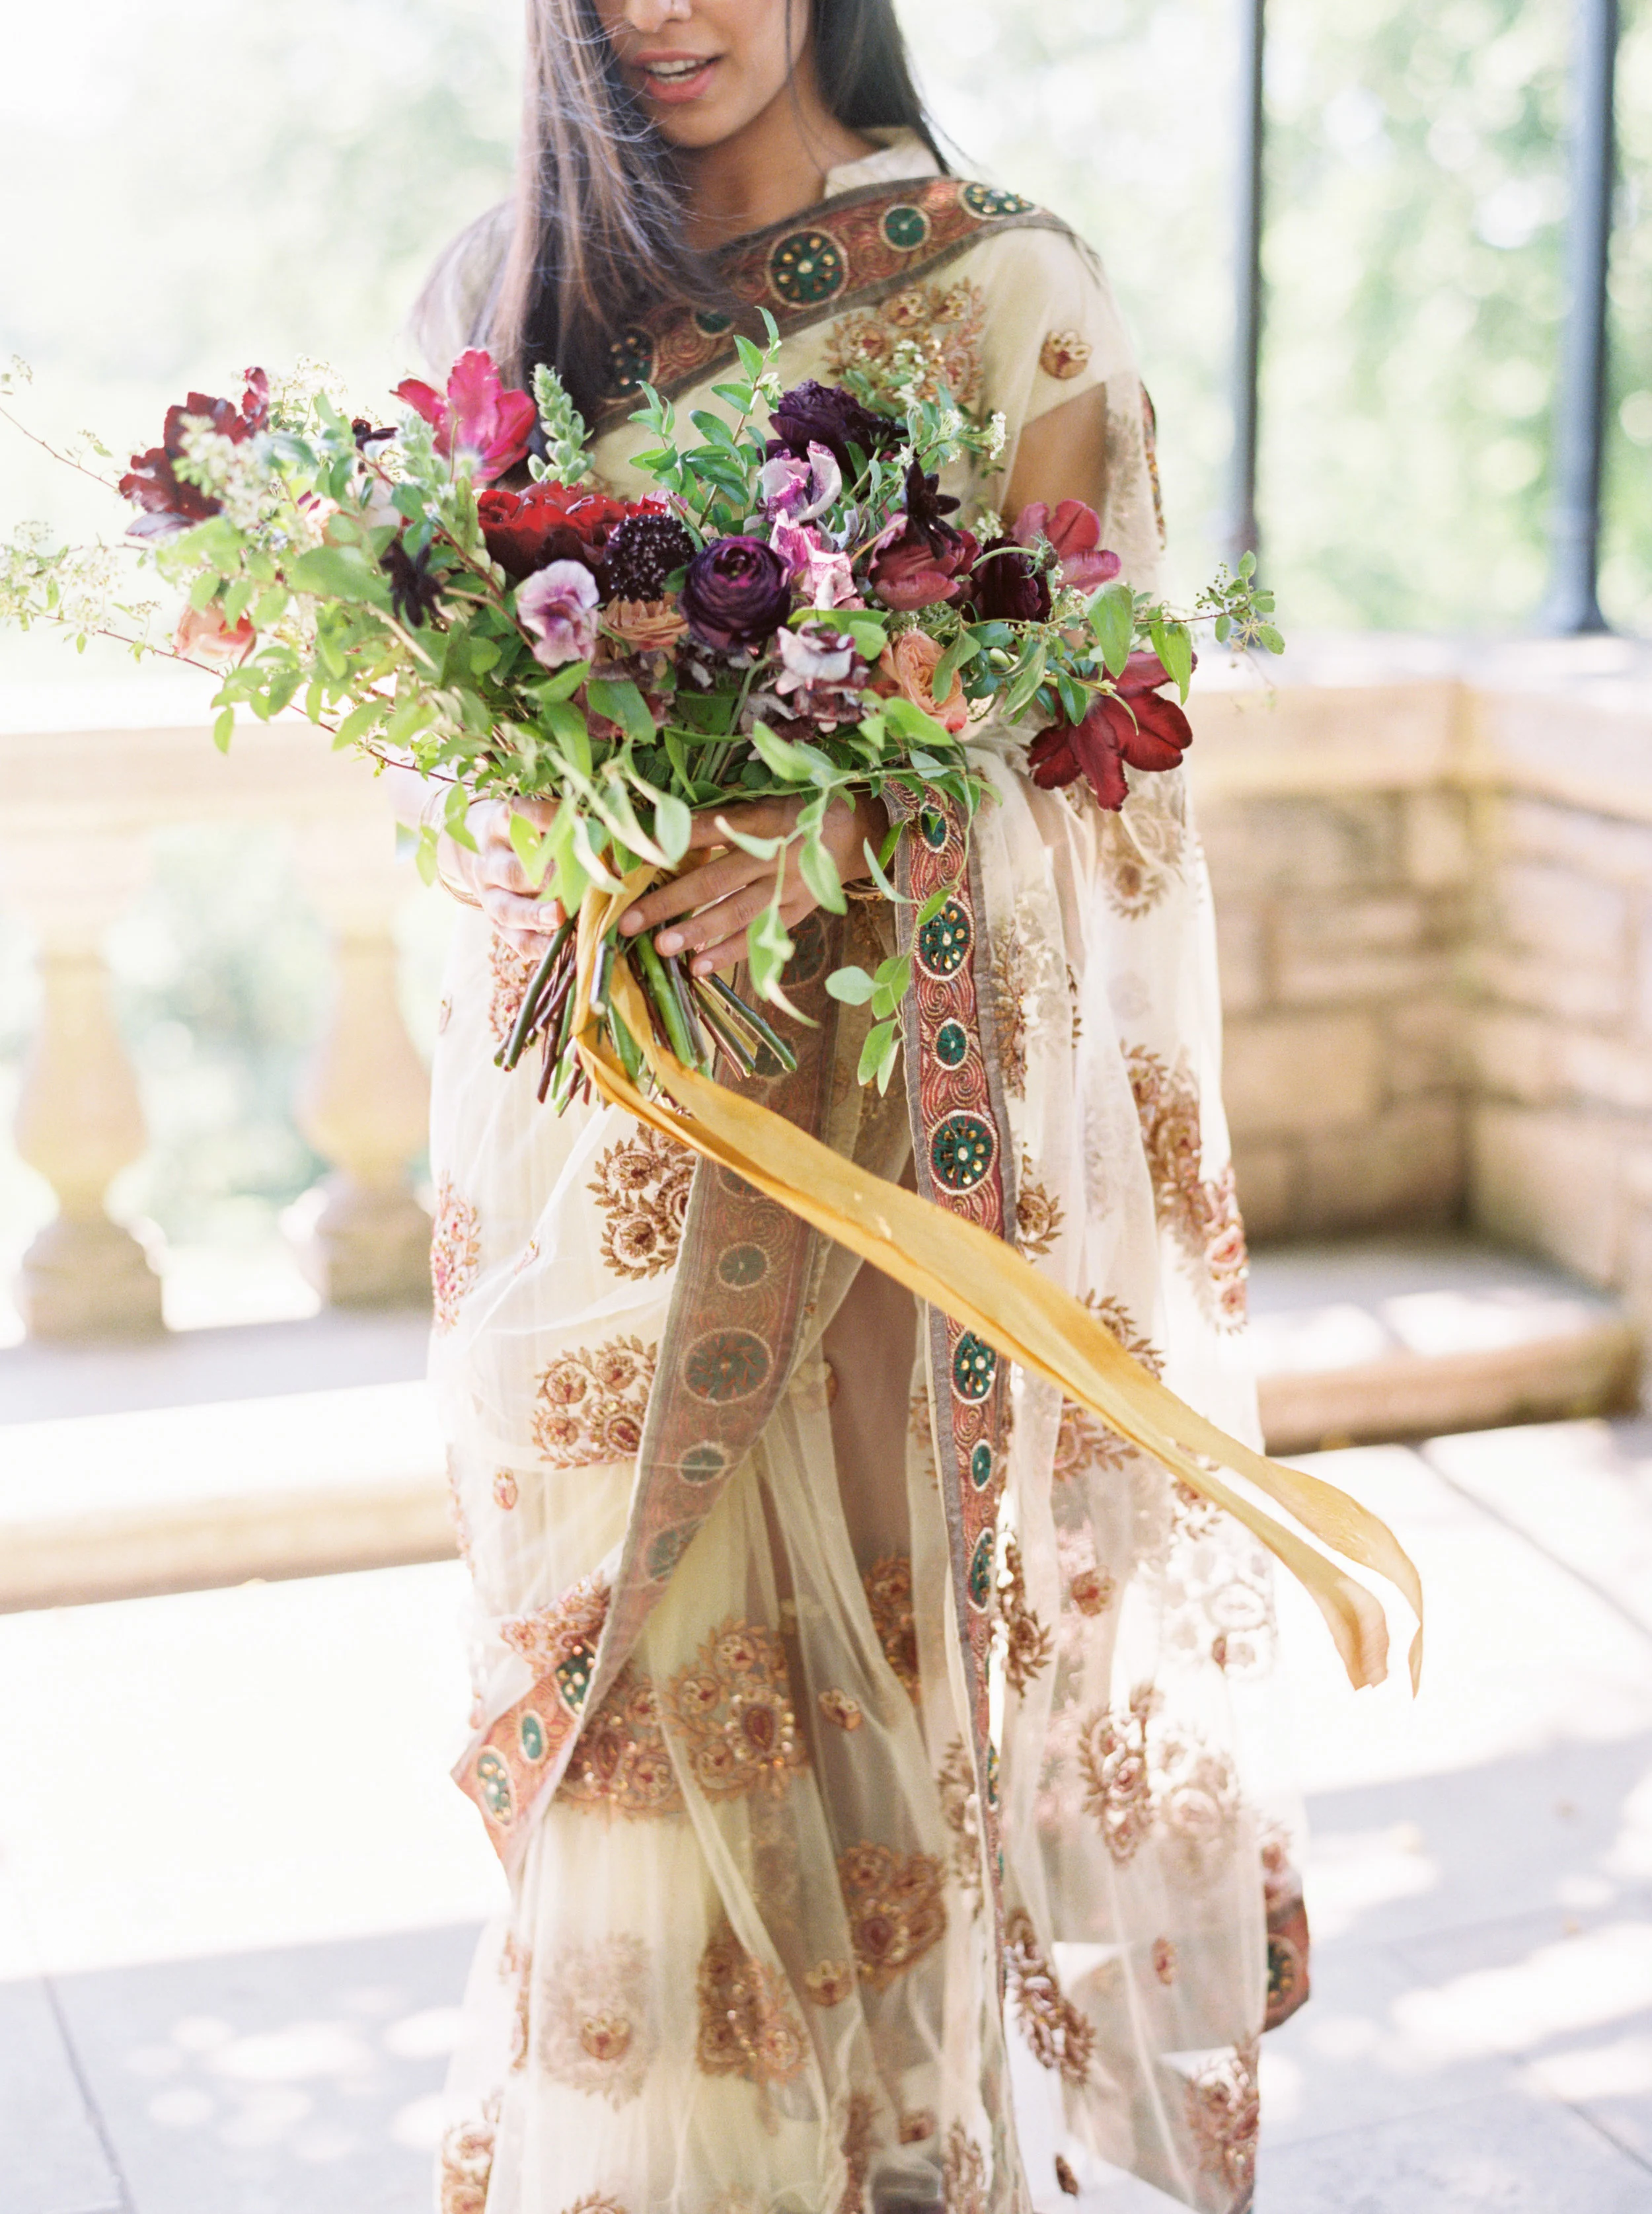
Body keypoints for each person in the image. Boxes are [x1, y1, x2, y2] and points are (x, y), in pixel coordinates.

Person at [414, 5, 1300, 2210]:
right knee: (621, 1761)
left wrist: (838, 833)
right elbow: (436, 757)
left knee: (860, 1752)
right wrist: (562, 820)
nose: (665, 16)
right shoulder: (502, 292)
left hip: (886, 1170)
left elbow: (1101, 758)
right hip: (593, 1182)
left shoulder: (1000, 289)